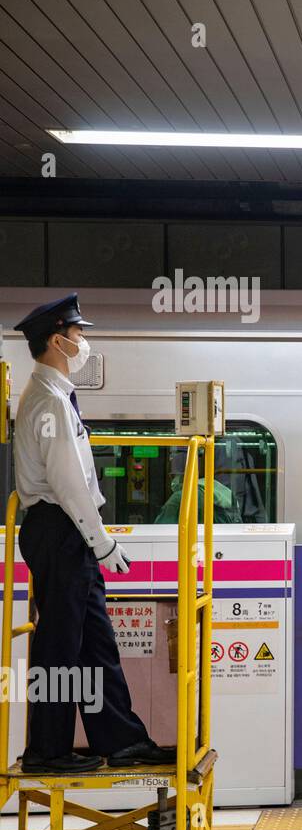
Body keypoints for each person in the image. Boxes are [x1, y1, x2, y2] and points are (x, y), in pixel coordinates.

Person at [13, 295, 172, 773]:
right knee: (59, 645)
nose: (83, 341)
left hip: (66, 532)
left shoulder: (57, 396)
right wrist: (101, 542)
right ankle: (47, 749)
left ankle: (120, 738)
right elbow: (67, 483)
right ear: (56, 339)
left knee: (94, 641)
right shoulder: (49, 402)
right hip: (59, 529)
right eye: (78, 333)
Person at [154, 450, 242, 524]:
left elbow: (161, 528)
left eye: (173, 476)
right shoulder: (224, 492)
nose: (172, 480)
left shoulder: (181, 498)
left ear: (185, 475)